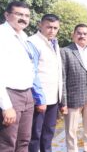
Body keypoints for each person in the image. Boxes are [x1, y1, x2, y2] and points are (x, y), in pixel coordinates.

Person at [0, 1, 45, 151]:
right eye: (19, 14)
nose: (23, 18)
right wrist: (6, 106)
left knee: (24, 141)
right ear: (7, 15)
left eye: (27, 15)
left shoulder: (23, 36)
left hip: (27, 94)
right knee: (7, 143)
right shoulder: (2, 35)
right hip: (10, 95)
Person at [29, 14, 65, 152]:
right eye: (48, 27)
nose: (52, 30)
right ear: (40, 25)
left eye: (55, 28)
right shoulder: (33, 42)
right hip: (39, 98)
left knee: (49, 133)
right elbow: (32, 72)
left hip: (53, 97)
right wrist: (39, 98)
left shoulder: (54, 42)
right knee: (35, 135)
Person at [61, 24, 87, 152]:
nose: (82, 36)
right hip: (73, 100)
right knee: (71, 131)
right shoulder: (65, 51)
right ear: (73, 35)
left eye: (85, 34)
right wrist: (64, 102)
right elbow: (63, 78)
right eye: (79, 33)